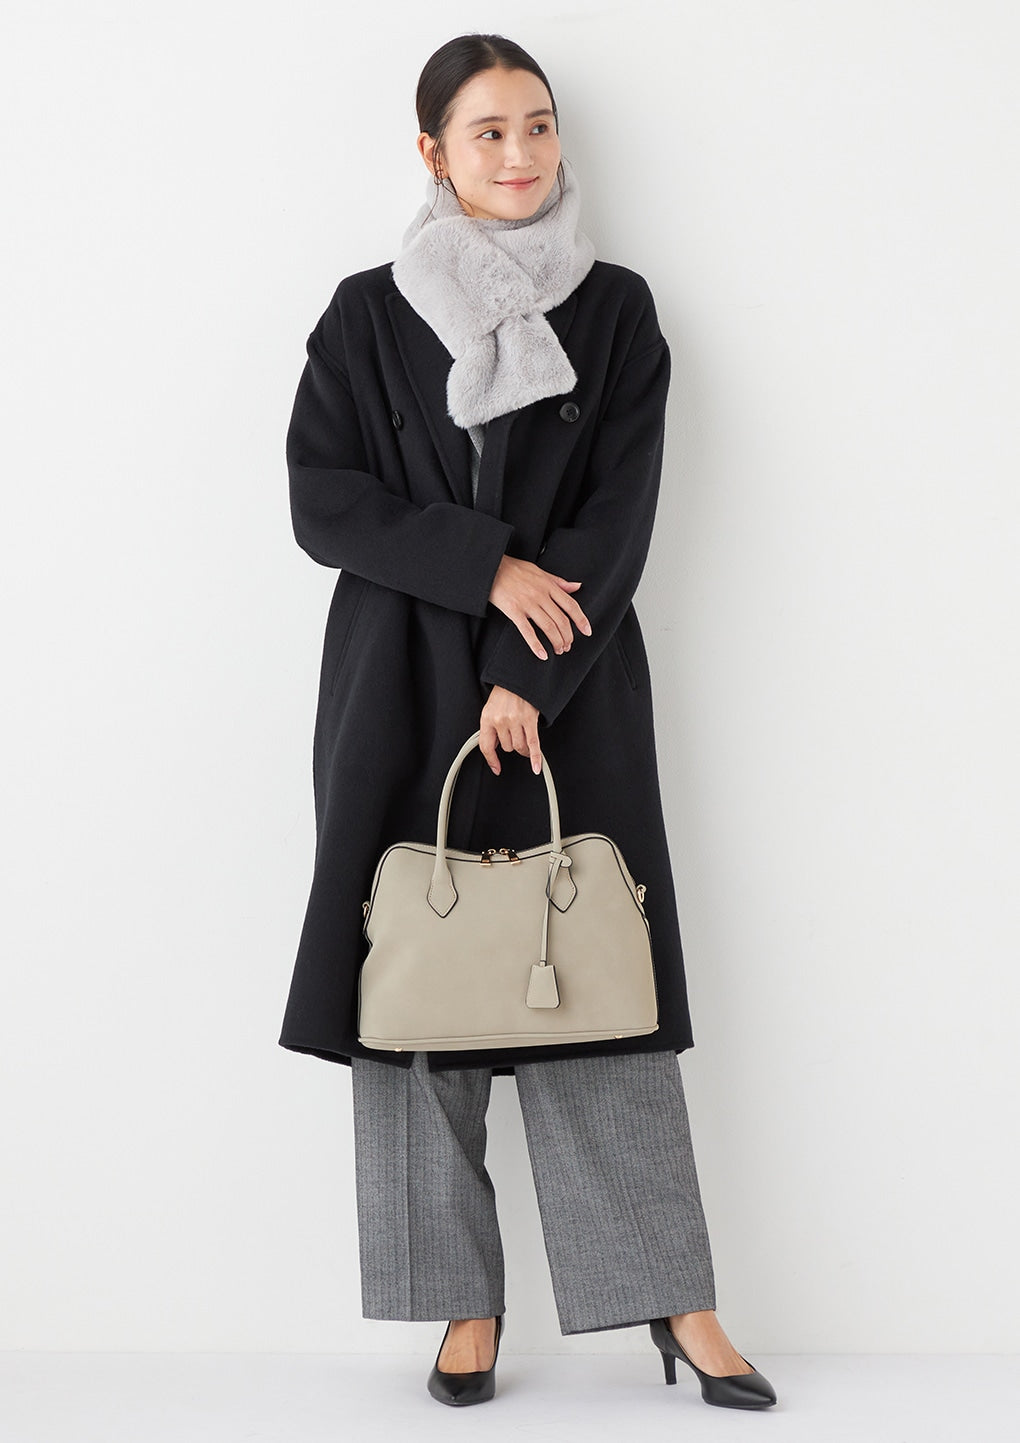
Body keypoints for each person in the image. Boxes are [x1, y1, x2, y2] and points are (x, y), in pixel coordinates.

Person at [279, 32, 778, 1411]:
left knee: (599, 984)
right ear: (432, 153)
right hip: (395, 689)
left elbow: (619, 515)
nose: (520, 153)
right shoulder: (367, 313)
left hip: (570, 679)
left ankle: (677, 1301)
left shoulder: (615, 312)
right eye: (488, 131)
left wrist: (524, 672)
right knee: (414, 990)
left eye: (539, 126)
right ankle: (462, 1307)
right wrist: (483, 566)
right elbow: (323, 499)